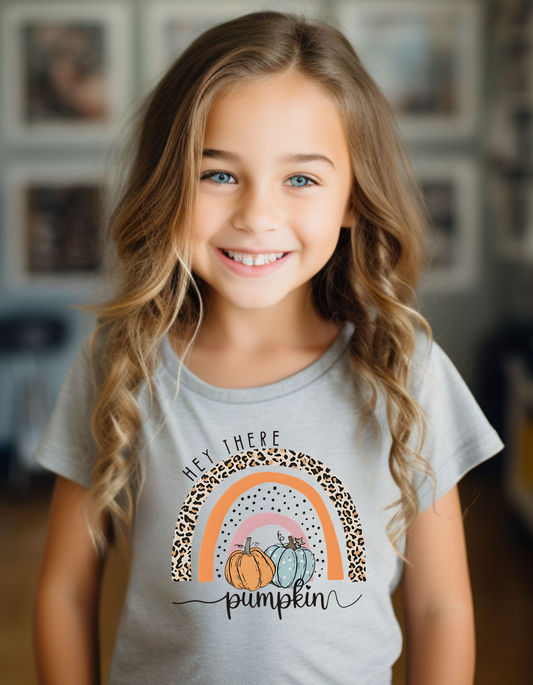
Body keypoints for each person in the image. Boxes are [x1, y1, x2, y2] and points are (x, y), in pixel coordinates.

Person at [32, 10, 504, 685]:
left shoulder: (406, 370)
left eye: (301, 179)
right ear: (169, 185)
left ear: (351, 198)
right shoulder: (120, 363)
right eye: (218, 174)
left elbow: (438, 606)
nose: (256, 214)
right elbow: (64, 590)